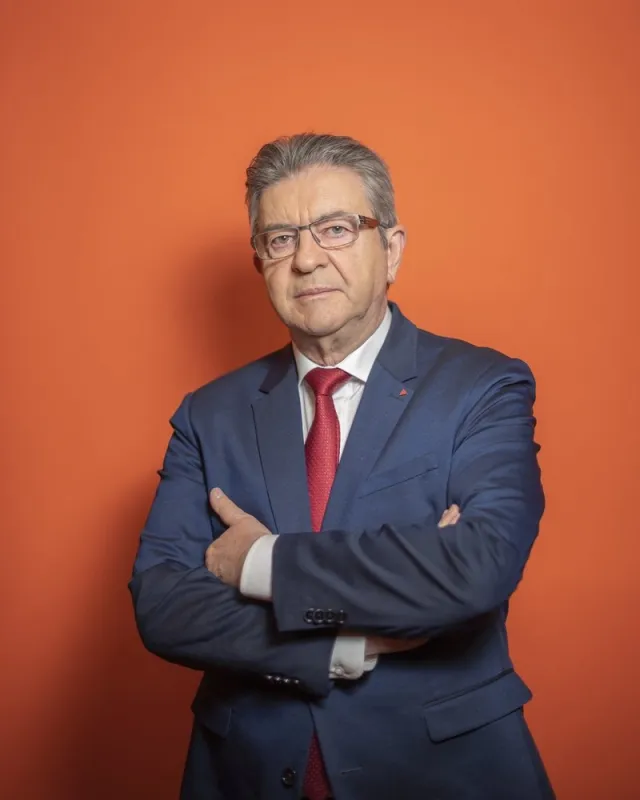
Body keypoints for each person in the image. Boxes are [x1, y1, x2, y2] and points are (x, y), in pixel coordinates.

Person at [130, 133, 555, 800]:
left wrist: (259, 563)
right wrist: (342, 646)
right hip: (247, 773)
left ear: (392, 249)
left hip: (443, 773)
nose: (306, 259)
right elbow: (164, 604)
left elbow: (478, 566)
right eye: (280, 239)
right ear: (261, 263)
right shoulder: (208, 414)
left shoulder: (482, 387)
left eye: (336, 228)